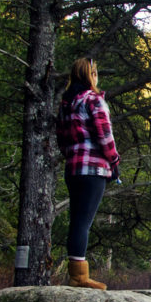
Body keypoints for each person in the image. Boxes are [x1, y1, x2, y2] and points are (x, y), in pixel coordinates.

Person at [56, 57, 120, 289]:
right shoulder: (94, 100)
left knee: (77, 220)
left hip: (72, 169)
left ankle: (76, 273)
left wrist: (72, 155)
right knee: (84, 222)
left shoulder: (66, 103)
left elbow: (61, 140)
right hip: (93, 169)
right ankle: (79, 277)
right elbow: (104, 135)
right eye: (96, 73)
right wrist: (114, 161)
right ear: (91, 75)